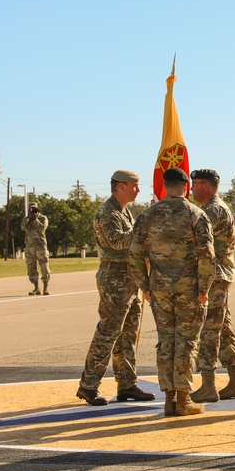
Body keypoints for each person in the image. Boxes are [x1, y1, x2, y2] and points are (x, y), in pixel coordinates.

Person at [129, 167, 215, 416]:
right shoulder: (195, 214)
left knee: (166, 341)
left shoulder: (147, 215)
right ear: (186, 186)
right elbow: (207, 255)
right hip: (189, 290)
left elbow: (134, 253)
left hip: (160, 290)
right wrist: (204, 288)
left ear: (165, 187)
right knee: (186, 342)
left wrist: (145, 286)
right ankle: (183, 399)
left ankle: (168, 398)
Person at [77, 169, 155, 406]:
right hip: (114, 279)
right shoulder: (108, 212)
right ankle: (88, 385)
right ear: (121, 186)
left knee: (128, 335)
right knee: (108, 332)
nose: (138, 190)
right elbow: (118, 241)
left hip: (130, 278)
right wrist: (143, 229)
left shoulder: (125, 211)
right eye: (134, 185)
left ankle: (126, 384)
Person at [189, 169, 235, 403]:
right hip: (219, 276)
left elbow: (198, 245)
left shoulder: (212, 210)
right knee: (223, 331)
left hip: (213, 277)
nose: (191, 189)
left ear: (206, 186)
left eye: (195, 184)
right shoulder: (214, 208)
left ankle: (208, 385)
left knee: (209, 331)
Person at [21, 203, 51, 296]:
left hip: (41, 247)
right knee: (31, 268)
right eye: (31, 209)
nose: (32, 210)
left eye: (34, 208)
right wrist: (28, 218)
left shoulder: (43, 218)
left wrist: (35, 219)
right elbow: (22, 227)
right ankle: (36, 288)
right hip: (30, 248)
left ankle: (45, 288)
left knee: (44, 267)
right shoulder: (27, 219)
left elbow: (42, 228)